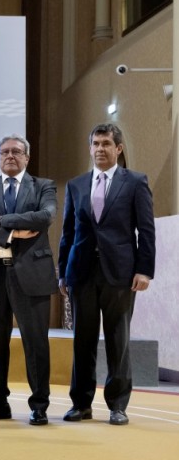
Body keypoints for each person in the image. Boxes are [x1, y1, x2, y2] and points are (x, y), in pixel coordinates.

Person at [58, 123, 155, 426]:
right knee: (82, 340)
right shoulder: (76, 185)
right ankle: (81, 404)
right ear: (90, 148)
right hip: (82, 273)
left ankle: (117, 405)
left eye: (106, 144)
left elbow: (146, 230)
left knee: (118, 340)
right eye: (96, 144)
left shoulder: (136, 182)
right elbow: (68, 233)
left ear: (118, 149)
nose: (100, 149)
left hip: (121, 274)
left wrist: (144, 270)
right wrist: (63, 273)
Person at [0, 134, 57, 425]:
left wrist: (1, 221)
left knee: (35, 343)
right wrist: (13, 233)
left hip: (31, 276)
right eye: (4, 152)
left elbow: (45, 217)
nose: (10, 155)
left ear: (26, 157)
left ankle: (39, 405)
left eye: (16, 151)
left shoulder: (43, 186)